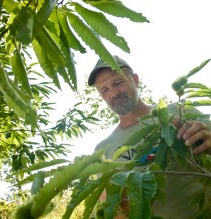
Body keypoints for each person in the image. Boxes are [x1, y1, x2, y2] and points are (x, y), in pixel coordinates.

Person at [88, 55, 211, 219]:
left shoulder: (180, 111)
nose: (114, 93)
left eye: (118, 83)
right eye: (104, 90)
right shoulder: (103, 150)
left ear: (136, 80)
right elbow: (113, 209)